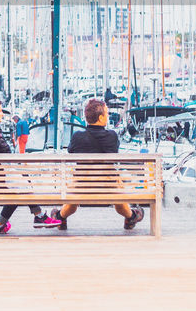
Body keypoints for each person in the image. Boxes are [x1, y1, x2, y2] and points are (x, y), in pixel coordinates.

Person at [47, 98, 145, 231]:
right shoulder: (112, 136)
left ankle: (59, 217)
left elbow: (71, 150)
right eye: (107, 114)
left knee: (73, 197)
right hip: (109, 186)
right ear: (100, 118)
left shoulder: (77, 136)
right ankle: (131, 216)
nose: (108, 116)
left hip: (81, 185)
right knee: (118, 192)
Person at [0, 97, 60, 233]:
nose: (2, 114)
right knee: (22, 184)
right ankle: (39, 216)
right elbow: (6, 152)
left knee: (19, 186)